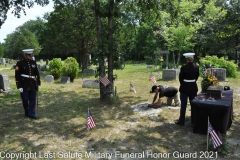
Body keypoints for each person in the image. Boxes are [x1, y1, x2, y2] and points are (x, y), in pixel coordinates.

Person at [15, 49, 41, 119]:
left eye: (31, 55)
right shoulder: (20, 63)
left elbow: (37, 73)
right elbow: (17, 75)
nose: (31, 56)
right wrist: (19, 86)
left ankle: (32, 113)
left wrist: (38, 83)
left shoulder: (33, 62)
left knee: (33, 99)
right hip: (24, 84)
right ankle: (27, 112)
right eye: (29, 55)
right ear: (25, 55)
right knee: (25, 99)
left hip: (32, 84)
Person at [175, 52, 199, 126]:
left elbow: (180, 79)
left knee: (183, 106)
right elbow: (196, 77)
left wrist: (184, 83)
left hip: (185, 88)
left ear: (186, 59)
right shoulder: (196, 67)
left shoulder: (183, 68)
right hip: (193, 87)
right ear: (192, 59)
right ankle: (193, 121)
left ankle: (181, 121)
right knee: (193, 105)